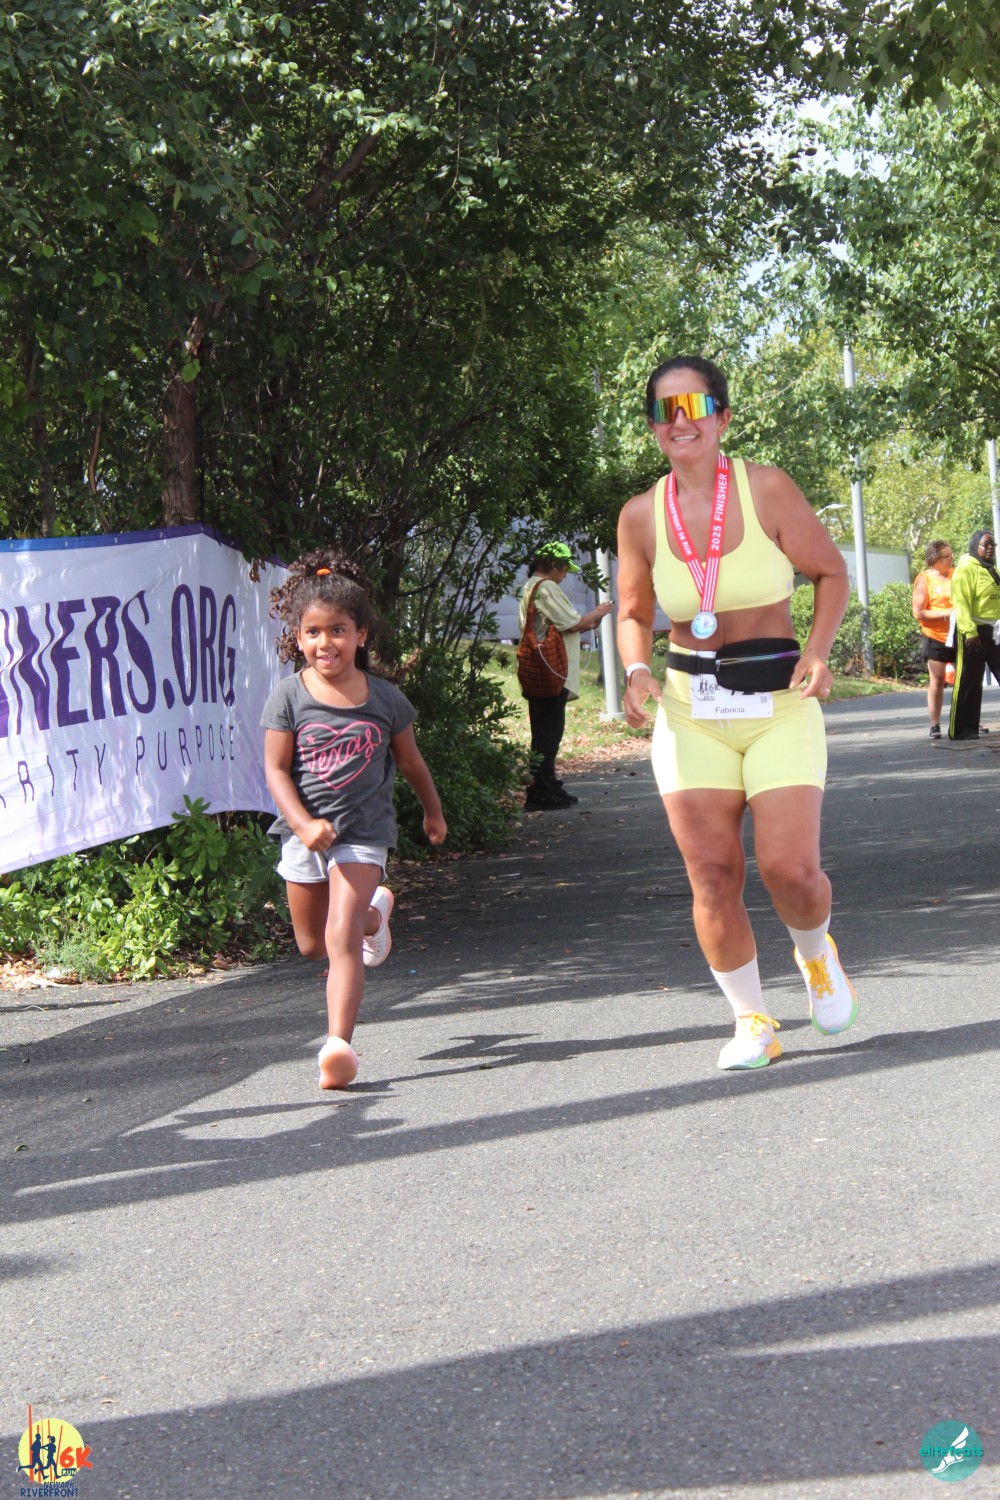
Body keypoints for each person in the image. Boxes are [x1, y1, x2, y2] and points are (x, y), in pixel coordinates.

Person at [616, 355, 858, 1071]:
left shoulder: (766, 489)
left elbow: (830, 572)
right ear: (653, 427)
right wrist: (635, 670)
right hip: (690, 711)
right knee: (714, 875)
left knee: (791, 871)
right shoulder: (640, 515)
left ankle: (815, 956)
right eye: (665, 411)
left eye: (694, 407)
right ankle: (752, 1020)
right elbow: (632, 611)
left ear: (721, 416)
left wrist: (819, 650)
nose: (680, 422)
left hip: (779, 702)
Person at [262, 551, 447, 1089]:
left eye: (338, 630)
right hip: (304, 834)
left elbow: (411, 762)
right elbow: (274, 770)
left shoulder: (385, 698)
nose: (326, 643)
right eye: (314, 632)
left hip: (364, 833)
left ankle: (338, 1045)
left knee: (338, 934)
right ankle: (374, 917)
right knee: (311, 943)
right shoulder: (288, 696)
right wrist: (302, 824)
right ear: (298, 637)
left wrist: (433, 811)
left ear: (361, 634)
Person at [518, 541, 612, 809]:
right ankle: (540, 792)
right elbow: (572, 623)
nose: (564, 575)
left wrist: (589, 621)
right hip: (551, 671)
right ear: (552, 565)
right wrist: (599, 611)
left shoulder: (531, 586)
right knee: (548, 734)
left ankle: (548, 784)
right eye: (563, 569)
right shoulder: (545, 587)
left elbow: (566, 625)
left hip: (542, 671)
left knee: (545, 731)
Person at [948, 529, 1000, 740]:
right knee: (969, 681)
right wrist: (970, 632)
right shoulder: (965, 569)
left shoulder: (991, 569)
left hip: (994, 631)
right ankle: (961, 730)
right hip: (973, 632)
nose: (990, 548)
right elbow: (961, 604)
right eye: (985, 545)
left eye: (992, 545)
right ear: (975, 546)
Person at [911, 539, 956, 739]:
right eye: (946, 556)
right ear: (935, 560)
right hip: (935, 636)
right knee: (937, 680)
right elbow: (918, 613)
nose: (951, 558)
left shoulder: (957, 574)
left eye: (952, 554)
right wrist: (946, 613)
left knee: (964, 679)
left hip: (959, 633)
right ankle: (935, 724)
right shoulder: (925, 579)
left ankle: (967, 720)